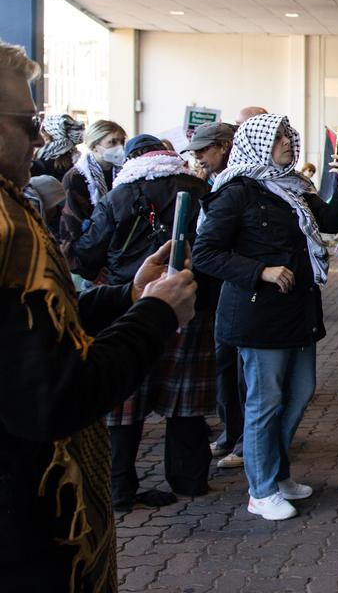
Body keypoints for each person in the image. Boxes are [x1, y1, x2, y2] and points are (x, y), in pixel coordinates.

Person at [0, 40, 197, 591]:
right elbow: (57, 394)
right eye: (27, 121)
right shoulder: (6, 227)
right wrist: (157, 314)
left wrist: (129, 298)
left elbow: (41, 327)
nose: (41, 139)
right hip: (29, 529)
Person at [192, 113, 338, 521]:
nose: (287, 141)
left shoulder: (295, 187)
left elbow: (331, 220)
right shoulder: (237, 192)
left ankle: (277, 475)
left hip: (297, 312)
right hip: (257, 315)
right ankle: (260, 489)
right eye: (279, 136)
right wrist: (259, 271)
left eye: (288, 135)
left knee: (299, 393)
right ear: (259, 142)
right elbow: (205, 253)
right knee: (265, 402)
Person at [72, 134, 216, 510]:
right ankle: (191, 481)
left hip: (127, 304)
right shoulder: (198, 190)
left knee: (124, 401)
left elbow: (87, 254)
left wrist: (108, 279)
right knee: (185, 401)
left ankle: (119, 489)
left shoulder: (118, 195)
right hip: (188, 301)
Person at [180, 121, 244, 468]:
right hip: (216, 285)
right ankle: (232, 432)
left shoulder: (237, 184)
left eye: (203, 151)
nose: (199, 158)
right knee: (224, 365)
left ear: (223, 145)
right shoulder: (215, 182)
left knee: (237, 367)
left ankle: (243, 438)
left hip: (232, 286)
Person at [61, 119, 127, 247]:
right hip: (87, 246)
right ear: (94, 146)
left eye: (122, 141)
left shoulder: (124, 172)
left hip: (117, 244)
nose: (120, 147)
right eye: (112, 142)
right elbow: (72, 224)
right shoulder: (76, 177)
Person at [32, 111, 83, 181]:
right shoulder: (77, 159)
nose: (41, 137)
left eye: (44, 132)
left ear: (51, 136)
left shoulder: (43, 161)